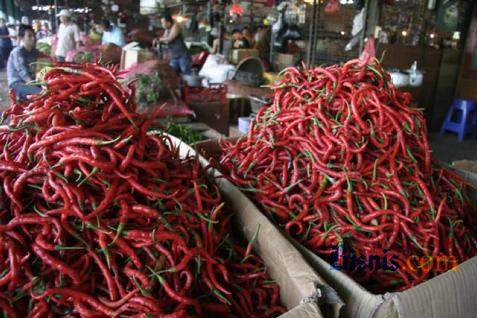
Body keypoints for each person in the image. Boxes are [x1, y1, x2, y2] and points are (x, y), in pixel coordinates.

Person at [7, 25, 42, 100]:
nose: (33, 38)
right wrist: (35, 85)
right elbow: (22, 71)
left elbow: (43, 60)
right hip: (18, 84)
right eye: (29, 36)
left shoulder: (34, 51)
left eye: (34, 35)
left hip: (30, 82)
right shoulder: (17, 52)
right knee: (42, 93)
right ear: (21, 38)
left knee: (51, 89)